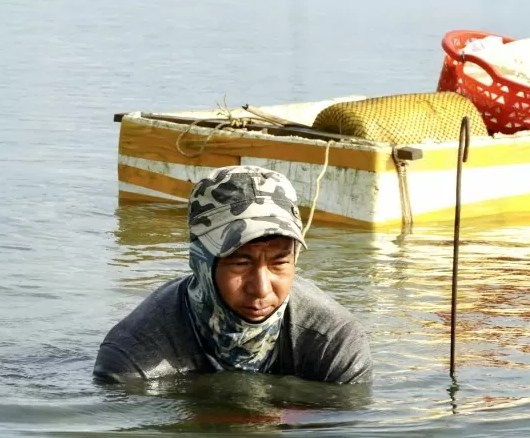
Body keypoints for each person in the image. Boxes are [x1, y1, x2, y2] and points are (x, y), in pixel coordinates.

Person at [95, 165, 371, 384]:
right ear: (200, 262)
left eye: (279, 263)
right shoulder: (133, 356)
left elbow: (340, 433)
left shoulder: (333, 340)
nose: (261, 289)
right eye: (240, 263)